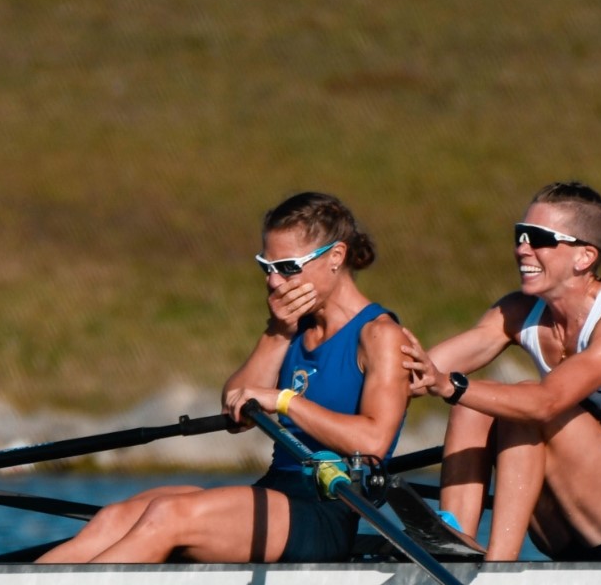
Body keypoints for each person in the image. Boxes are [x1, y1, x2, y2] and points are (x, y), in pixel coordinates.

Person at [38, 191, 411, 564]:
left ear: (335, 257)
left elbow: (374, 442)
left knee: (167, 517)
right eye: (266, 266)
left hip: (326, 512)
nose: (274, 282)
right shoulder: (292, 328)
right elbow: (236, 412)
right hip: (275, 496)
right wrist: (277, 332)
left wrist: (284, 402)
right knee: (117, 517)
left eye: (288, 267)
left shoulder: (379, 336)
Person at [401, 181, 601, 562]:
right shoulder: (518, 311)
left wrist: (449, 385)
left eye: (538, 238)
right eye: (519, 235)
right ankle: (453, 542)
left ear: (584, 257)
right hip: (566, 523)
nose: (522, 248)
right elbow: (420, 372)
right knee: (475, 403)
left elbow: (545, 402)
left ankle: (499, 564)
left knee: (522, 402)